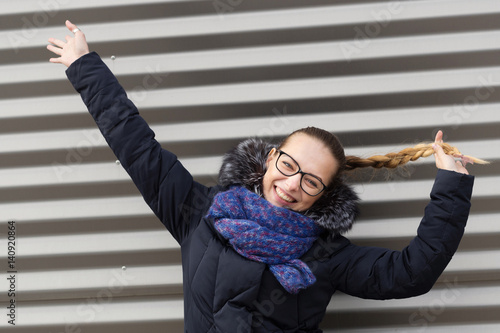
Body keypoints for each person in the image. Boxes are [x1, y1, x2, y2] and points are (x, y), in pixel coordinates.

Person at [47, 21, 477, 332]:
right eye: (289, 165)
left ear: (323, 195)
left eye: (310, 181)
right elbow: (136, 146)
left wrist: (452, 187)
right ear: (270, 159)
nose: (292, 185)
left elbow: (410, 273)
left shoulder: (326, 255)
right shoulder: (200, 213)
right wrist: (86, 66)